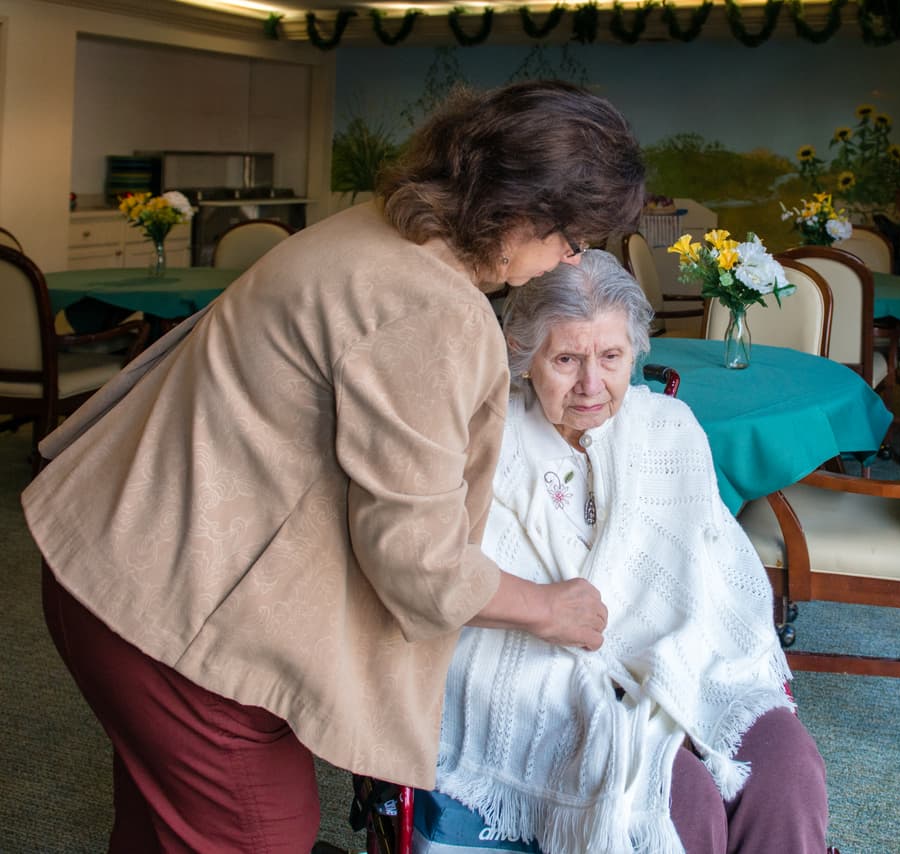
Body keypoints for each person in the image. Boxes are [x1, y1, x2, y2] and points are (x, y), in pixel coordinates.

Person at [23, 81, 645, 852]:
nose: (571, 256)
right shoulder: (434, 307)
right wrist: (547, 607)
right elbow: (417, 561)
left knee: (161, 829)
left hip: (113, 552)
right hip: (169, 614)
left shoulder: (377, 226)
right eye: (573, 235)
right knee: (266, 833)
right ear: (516, 209)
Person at [432, 249, 829, 854]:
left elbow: (711, 573)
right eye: (566, 358)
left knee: (789, 770)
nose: (593, 384)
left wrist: (674, 671)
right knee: (675, 802)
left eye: (612, 357)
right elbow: (449, 580)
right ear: (523, 353)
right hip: (542, 669)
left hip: (680, 650)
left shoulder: (668, 428)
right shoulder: (491, 443)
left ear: (635, 351)